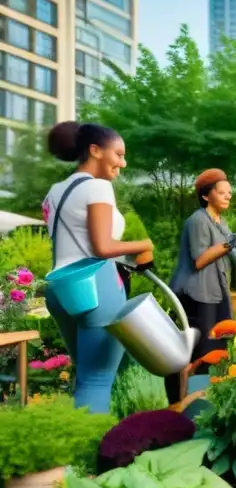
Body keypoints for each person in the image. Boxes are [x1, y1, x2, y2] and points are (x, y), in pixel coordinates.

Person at [42, 121, 154, 413]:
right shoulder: (98, 186)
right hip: (96, 287)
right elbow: (102, 247)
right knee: (98, 380)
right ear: (95, 150)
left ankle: (78, 449)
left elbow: (72, 241)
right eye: (118, 154)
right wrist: (144, 245)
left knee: (87, 376)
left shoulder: (54, 191)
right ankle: (92, 455)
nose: (123, 162)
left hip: (61, 289)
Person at [168, 169, 236, 402]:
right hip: (198, 294)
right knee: (202, 352)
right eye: (222, 193)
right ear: (206, 196)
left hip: (215, 292)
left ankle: (208, 400)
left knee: (218, 348)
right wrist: (228, 246)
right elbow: (199, 260)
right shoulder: (197, 221)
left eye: (229, 193)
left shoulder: (221, 221)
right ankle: (189, 404)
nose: (228, 196)